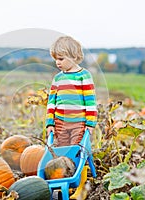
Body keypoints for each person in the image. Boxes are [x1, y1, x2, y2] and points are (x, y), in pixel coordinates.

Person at [45, 36, 98, 199]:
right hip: (60, 123)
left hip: (79, 124)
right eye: (55, 59)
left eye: (61, 59)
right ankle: (61, 181)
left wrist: (90, 122)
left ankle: (80, 186)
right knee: (60, 152)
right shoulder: (58, 78)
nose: (58, 63)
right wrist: (49, 123)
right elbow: (51, 102)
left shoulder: (84, 76)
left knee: (78, 153)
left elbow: (90, 102)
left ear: (74, 57)